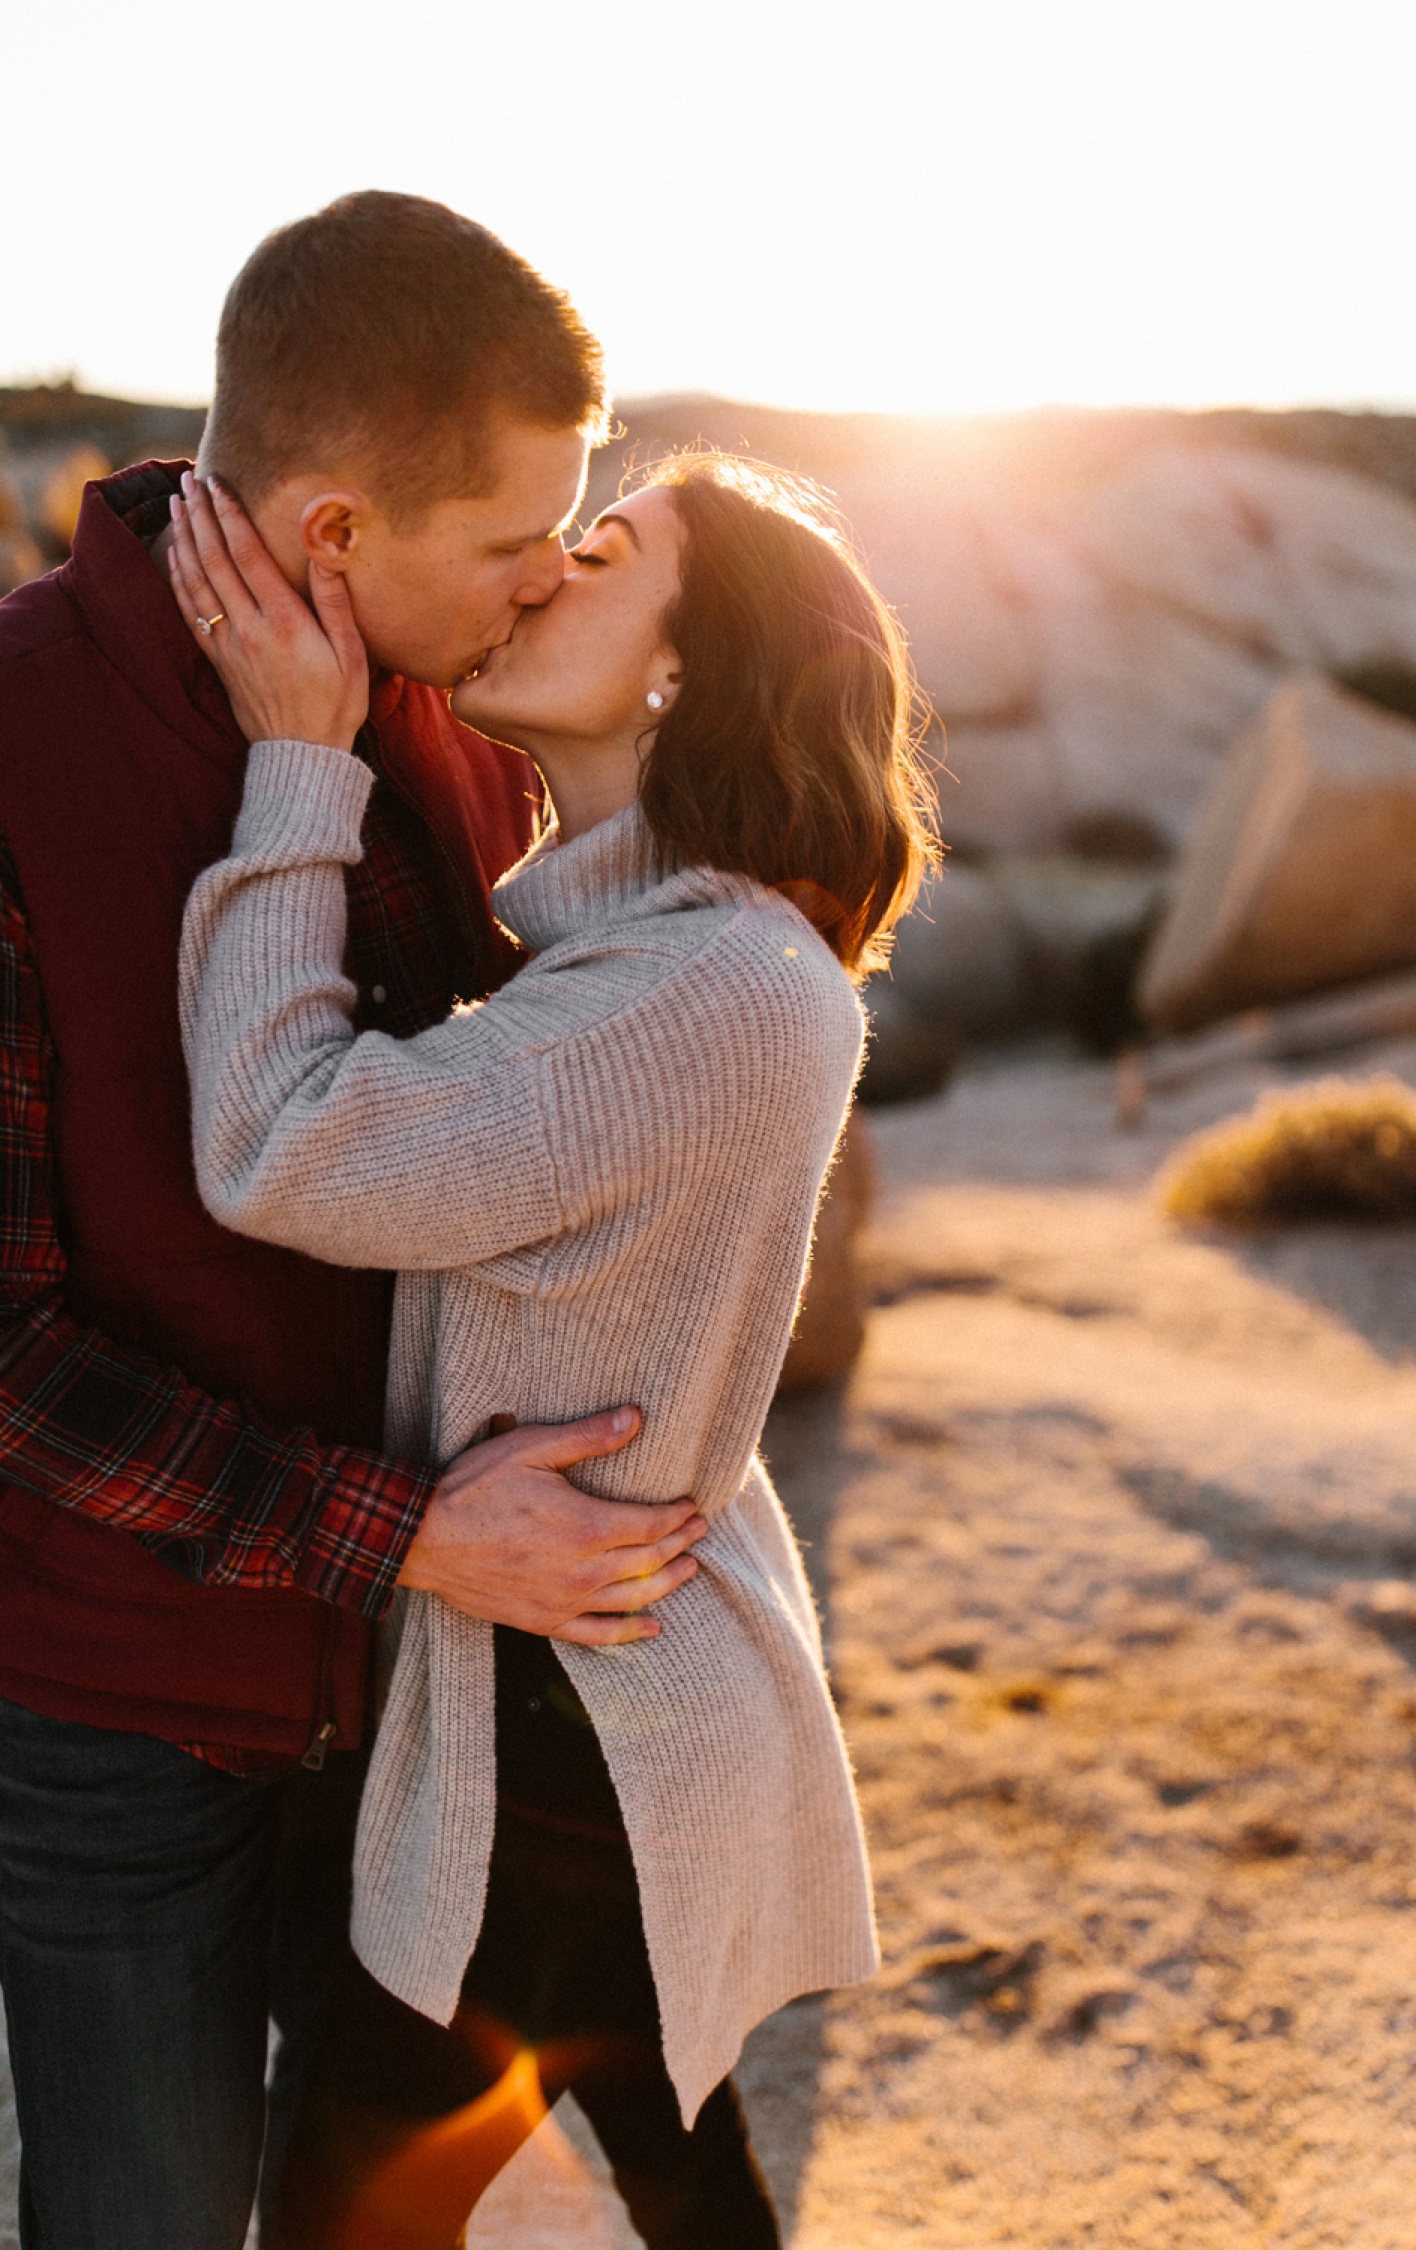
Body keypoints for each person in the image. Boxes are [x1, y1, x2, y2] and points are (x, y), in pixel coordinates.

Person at [0, 191, 712, 2250]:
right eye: (510, 545)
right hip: (124, 1720)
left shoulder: (456, 714)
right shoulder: (21, 743)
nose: (543, 584)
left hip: (430, 1691)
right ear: (331, 534)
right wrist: (398, 1527)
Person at [168, 441, 939, 2247]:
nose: (535, 578)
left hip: (565, 1726)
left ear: (687, 666)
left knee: (354, 2215)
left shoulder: (699, 989)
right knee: (678, 2162)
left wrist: (297, 758)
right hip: (611, 1682)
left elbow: (279, 1143)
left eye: (596, 552)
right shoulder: (678, 957)